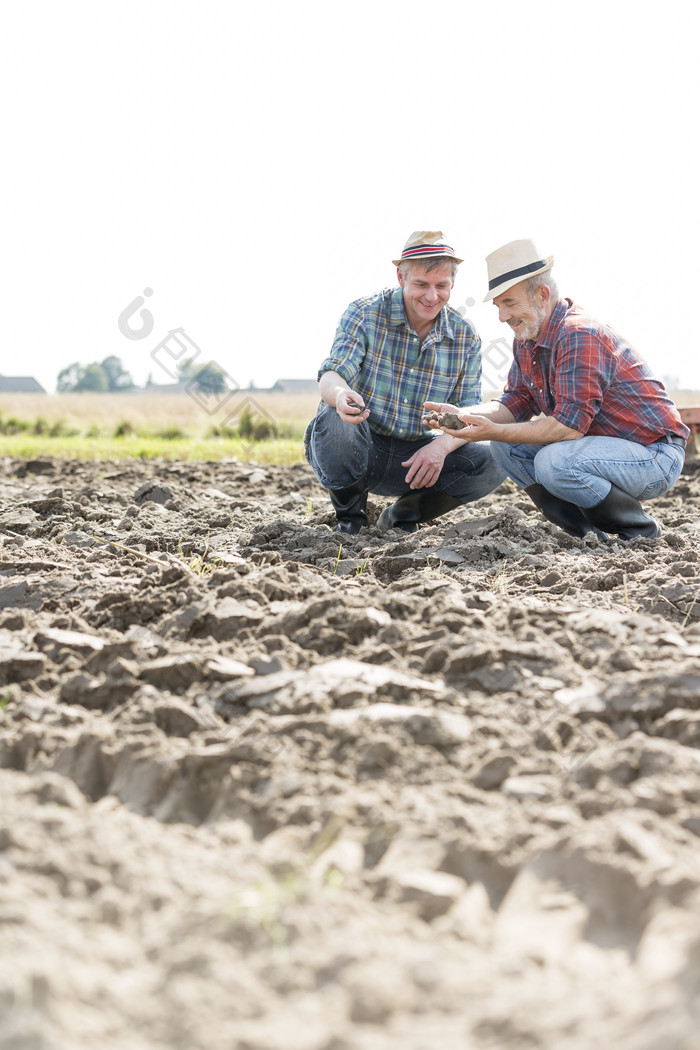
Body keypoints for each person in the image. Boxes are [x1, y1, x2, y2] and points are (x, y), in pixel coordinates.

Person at [424, 238, 689, 540]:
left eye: (509, 302)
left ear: (542, 294)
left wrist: (490, 430)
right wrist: (464, 414)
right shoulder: (527, 339)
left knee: (555, 462)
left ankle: (639, 529)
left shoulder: (579, 334)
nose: (502, 317)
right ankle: (585, 532)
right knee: (505, 447)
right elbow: (517, 402)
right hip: (602, 449)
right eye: (498, 306)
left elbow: (567, 429)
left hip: (653, 455)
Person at [304, 231, 506, 534]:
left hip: (415, 460)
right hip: (361, 445)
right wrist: (341, 393)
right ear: (401, 277)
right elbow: (332, 374)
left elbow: (467, 416)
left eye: (442, 286)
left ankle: (402, 514)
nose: (431, 296)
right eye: (421, 285)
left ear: (453, 284)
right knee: (335, 416)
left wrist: (440, 447)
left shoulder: (465, 336)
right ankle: (351, 520)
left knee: (495, 456)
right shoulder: (364, 313)